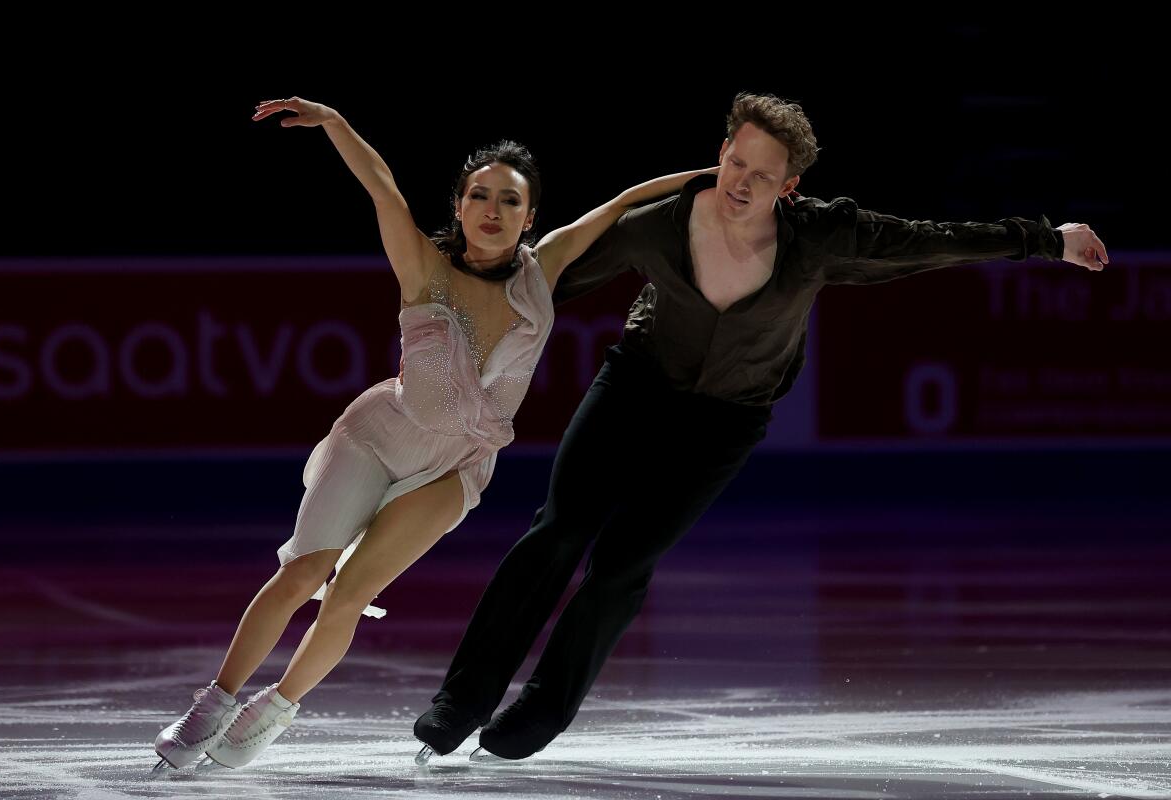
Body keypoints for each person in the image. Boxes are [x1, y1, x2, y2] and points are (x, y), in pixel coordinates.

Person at [414, 91, 1109, 762]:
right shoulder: (658, 222)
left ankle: (540, 710)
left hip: (727, 420)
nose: (741, 184)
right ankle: (462, 699)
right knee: (557, 532)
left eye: (762, 176)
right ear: (722, 151)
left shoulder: (817, 239)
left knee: (623, 563)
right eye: (735, 164)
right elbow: (546, 283)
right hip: (634, 386)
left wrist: (1046, 241)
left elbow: (923, 241)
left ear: (790, 186)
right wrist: (456, 302)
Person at [151, 96, 715, 770]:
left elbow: (624, 202)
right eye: (480, 196)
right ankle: (215, 699)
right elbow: (382, 187)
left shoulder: (546, 268)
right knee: (304, 571)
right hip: (378, 436)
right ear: (459, 205)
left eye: (509, 201)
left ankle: (274, 709)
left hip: (457, 467)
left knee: (353, 592)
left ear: (530, 217)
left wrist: (728, 176)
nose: (492, 211)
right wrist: (336, 124)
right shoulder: (423, 268)